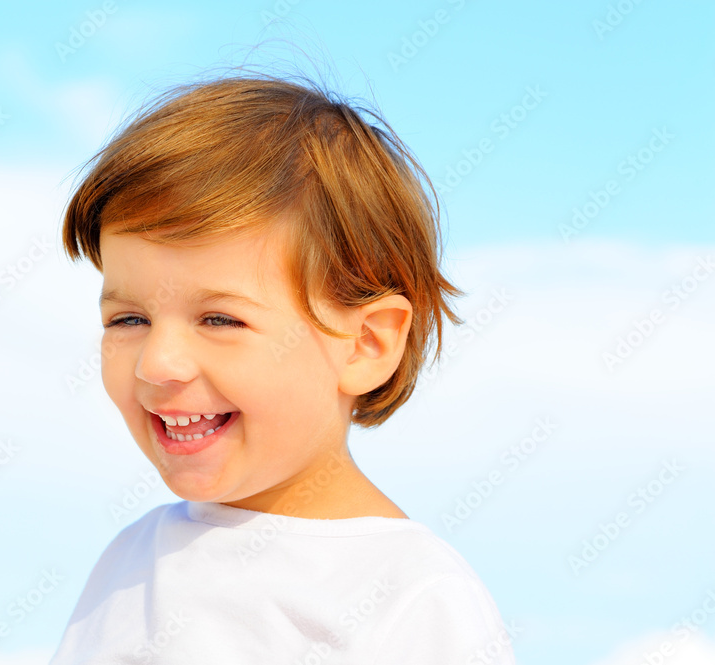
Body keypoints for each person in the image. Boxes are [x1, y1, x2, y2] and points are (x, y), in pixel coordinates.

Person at [50, 71, 516, 664]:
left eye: (220, 319)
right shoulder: (129, 561)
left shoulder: (412, 598)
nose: (158, 363)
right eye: (129, 319)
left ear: (364, 344)